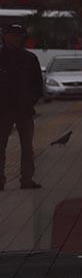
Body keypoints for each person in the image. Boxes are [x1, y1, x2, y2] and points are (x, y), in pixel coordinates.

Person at [0, 23, 43, 190]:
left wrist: (29, 101)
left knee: (27, 146)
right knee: (0, 145)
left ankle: (27, 179)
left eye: (18, 35)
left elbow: (37, 85)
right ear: (5, 36)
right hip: (2, 110)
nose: (15, 38)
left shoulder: (30, 59)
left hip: (24, 109)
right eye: (12, 35)